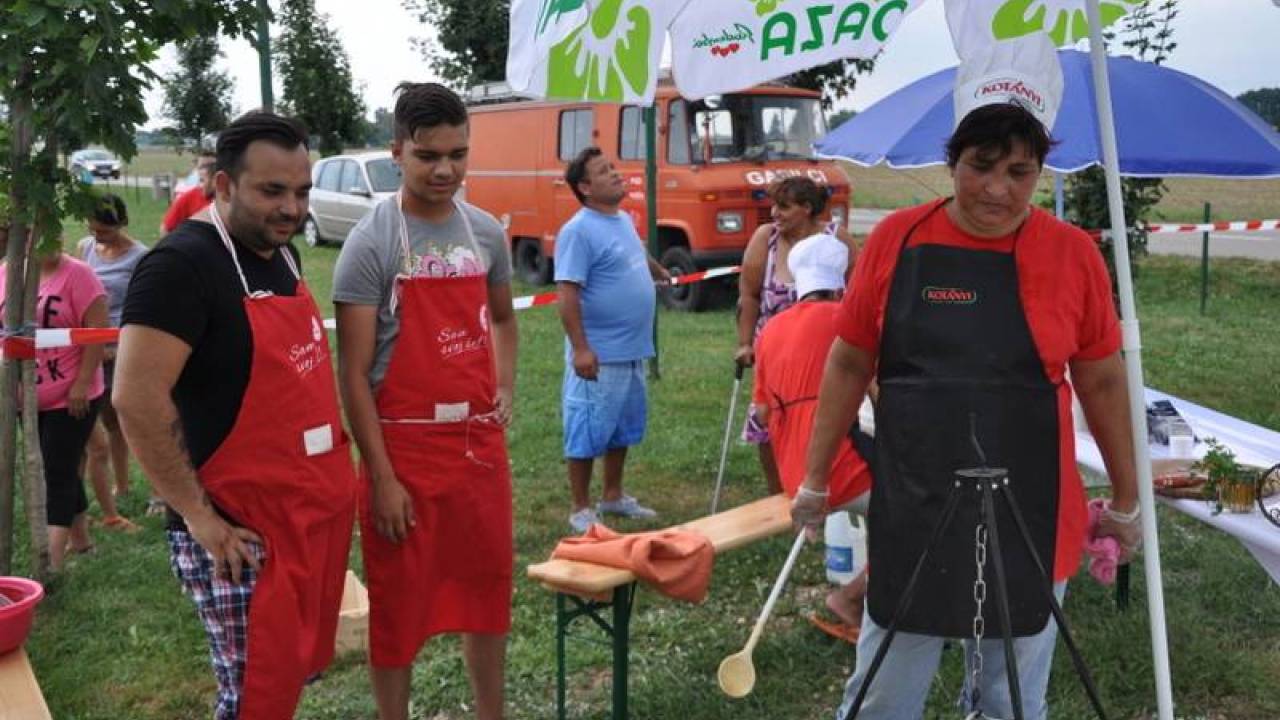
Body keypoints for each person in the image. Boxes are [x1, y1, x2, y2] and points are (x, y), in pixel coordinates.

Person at [793, 40, 1143, 720]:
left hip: (1035, 512)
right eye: (981, 165)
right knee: (882, 696)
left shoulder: (1072, 255)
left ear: (1039, 170)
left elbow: (1103, 381)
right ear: (952, 159)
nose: (997, 189)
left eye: (1020, 171)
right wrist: (814, 478)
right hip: (916, 503)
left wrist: (1128, 499)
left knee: (1011, 700)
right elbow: (848, 361)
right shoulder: (897, 240)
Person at [114, 112, 357, 720]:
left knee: (286, 681)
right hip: (238, 535)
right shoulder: (180, 267)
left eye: (301, 192)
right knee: (254, 698)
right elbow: (135, 399)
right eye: (272, 191)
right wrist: (199, 517)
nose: (291, 209)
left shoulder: (282, 254)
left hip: (299, 517)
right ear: (223, 185)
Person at [333, 82, 516, 720]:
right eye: (428, 156)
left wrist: (504, 384)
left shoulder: (485, 232)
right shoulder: (371, 243)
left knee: (487, 594)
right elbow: (354, 375)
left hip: (477, 451)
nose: (445, 170)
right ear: (397, 153)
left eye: (457, 155)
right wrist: (381, 478)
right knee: (398, 605)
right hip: (402, 454)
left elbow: (503, 318)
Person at [750, 233, 872, 633]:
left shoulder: (770, 330)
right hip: (844, 470)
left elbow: (762, 413)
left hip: (794, 477)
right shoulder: (849, 322)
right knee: (925, 515)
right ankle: (853, 598)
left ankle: (874, 597)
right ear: (841, 284)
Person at [555, 146, 671, 534]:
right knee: (587, 429)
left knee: (622, 427)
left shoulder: (620, 218)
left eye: (613, 167)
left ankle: (613, 495)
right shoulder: (578, 231)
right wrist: (581, 349)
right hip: (600, 354)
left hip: (632, 349)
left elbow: (632, 251)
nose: (616, 174)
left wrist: (655, 269)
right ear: (586, 187)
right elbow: (567, 293)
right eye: (605, 171)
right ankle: (580, 507)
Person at [736, 176, 856, 494]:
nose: (774, 213)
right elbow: (748, 295)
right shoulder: (766, 238)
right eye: (773, 206)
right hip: (776, 349)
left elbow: (859, 292)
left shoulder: (836, 239)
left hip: (824, 350)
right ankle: (778, 492)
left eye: (784, 207)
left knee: (823, 416)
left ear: (807, 208)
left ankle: (830, 482)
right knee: (770, 418)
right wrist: (745, 343)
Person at [0, 242, 108, 571]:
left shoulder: (80, 275)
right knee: (59, 463)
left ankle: (50, 564)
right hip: (26, 397)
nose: (48, 241)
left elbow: (96, 333)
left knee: (55, 471)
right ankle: (82, 542)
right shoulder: (7, 273)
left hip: (72, 397)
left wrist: (81, 384)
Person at [77, 193, 145, 532]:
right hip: (90, 347)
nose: (98, 236)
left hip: (121, 346)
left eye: (104, 231)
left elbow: (139, 306)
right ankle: (92, 493)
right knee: (93, 423)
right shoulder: (85, 248)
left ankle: (124, 484)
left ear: (122, 224)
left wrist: (117, 346)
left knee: (120, 420)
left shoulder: (140, 257)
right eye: (93, 230)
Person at [161, 149, 216, 233]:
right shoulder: (189, 196)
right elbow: (167, 227)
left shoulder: (228, 199)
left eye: (212, 167)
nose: (206, 170)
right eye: (202, 167)